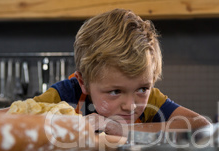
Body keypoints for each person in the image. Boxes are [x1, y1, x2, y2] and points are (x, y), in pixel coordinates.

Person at [28, 8, 208, 136]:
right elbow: (3, 119)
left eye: (142, 89)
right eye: (115, 92)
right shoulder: (66, 96)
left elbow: (200, 126)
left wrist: (122, 130)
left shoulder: (152, 99)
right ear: (83, 82)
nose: (130, 106)